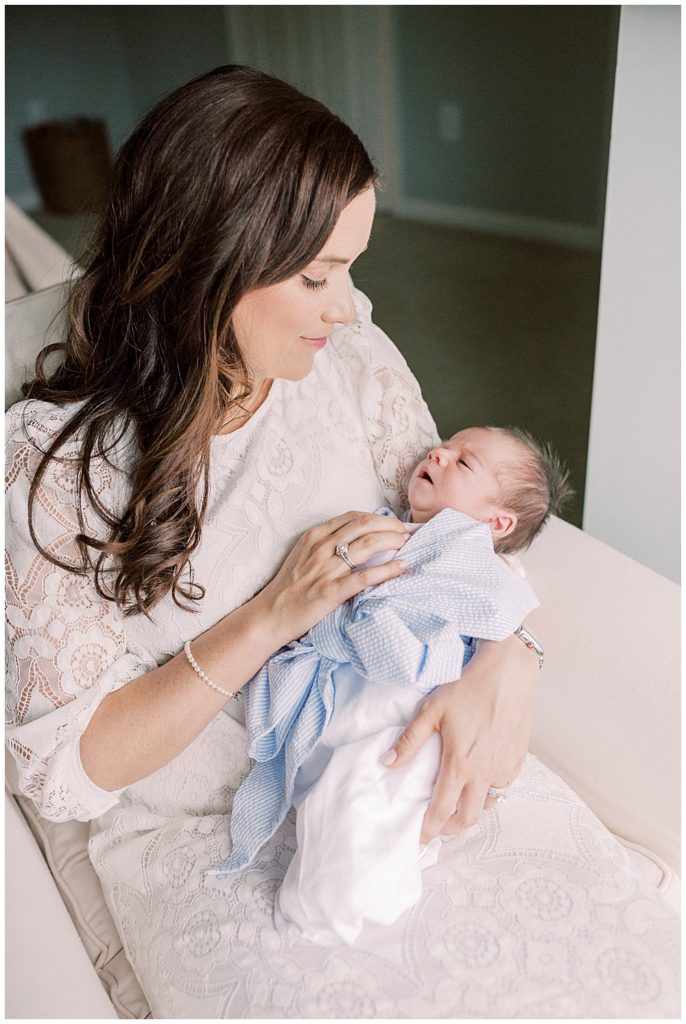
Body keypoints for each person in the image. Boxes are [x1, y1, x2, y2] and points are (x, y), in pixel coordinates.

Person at [5, 66, 549, 1016]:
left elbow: (452, 546)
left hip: (396, 762)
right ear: (207, 261)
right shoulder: (55, 471)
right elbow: (75, 769)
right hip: (212, 836)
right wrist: (270, 617)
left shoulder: (348, 359)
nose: (347, 307)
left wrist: (511, 656)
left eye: (352, 267)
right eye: (315, 276)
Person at [213, 426, 569, 945]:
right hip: (351, 699)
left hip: (414, 708)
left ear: (496, 522)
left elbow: (503, 608)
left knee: (363, 792)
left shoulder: (475, 556)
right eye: (445, 445)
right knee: (346, 790)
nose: (439, 453)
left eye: (463, 464)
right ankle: (386, 858)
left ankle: (322, 920)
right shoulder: (383, 528)